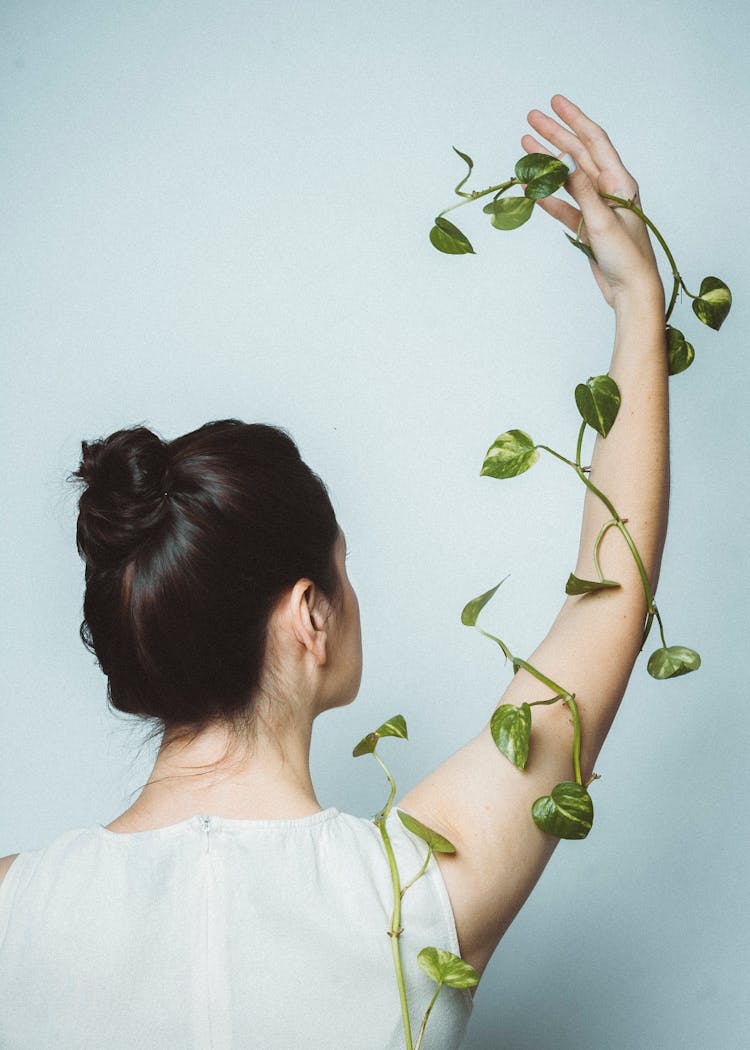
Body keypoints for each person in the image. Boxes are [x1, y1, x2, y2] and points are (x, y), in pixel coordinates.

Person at [0, 95, 668, 1049]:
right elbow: (612, 605)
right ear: (309, 614)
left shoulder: (13, 915)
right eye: (343, 576)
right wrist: (639, 303)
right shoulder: (419, 895)